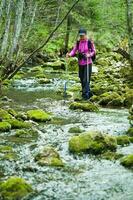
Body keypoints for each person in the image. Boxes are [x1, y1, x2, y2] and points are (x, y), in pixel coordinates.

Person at [66, 28, 96, 100]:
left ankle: (85, 95)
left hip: (88, 63)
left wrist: (89, 55)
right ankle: (86, 91)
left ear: (86, 35)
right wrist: (69, 54)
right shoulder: (78, 42)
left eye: (83, 35)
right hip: (80, 63)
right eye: (80, 35)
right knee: (81, 78)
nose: (81, 37)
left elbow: (94, 51)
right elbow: (74, 50)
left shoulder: (89, 42)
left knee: (86, 79)